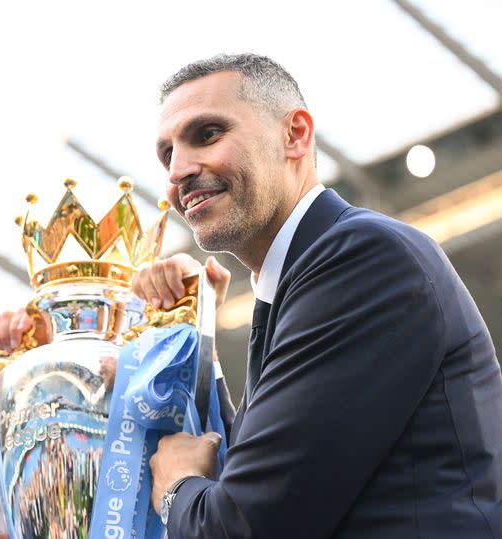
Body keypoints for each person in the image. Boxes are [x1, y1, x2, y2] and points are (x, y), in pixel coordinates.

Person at [134, 53, 502, 537]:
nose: (178, 171)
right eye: (166, 155)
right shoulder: (304, 278)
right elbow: (249, 466)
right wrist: (191, 329)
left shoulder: (361, 259)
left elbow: (244, 523)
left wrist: (176, 488)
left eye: (207, 135)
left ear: (295, 135)